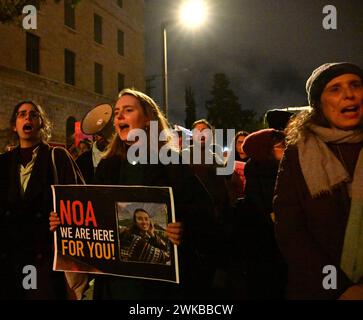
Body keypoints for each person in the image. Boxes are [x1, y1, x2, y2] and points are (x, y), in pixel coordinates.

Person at [50, 89, 217, 300]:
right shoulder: (107, 165)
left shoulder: (171, 162)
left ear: (148, 119)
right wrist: (64, 221)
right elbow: (92, 214)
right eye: (117, 111)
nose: (119, 116)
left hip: (158, 287)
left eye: (128, 110)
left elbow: (206, 213)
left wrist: (183, 227)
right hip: (114, 284)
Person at [273, 62, 363, 299]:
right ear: (319, 105)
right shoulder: (299, 152)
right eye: (335, 89)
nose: (349, 94)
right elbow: (290, 229)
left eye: (355, 85)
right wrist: (340, 288)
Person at [0, 100, 84, 300]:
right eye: (22, 114)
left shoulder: (58, 157)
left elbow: (80, 203)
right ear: (14, 125)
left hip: (45, 259)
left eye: (33, 114)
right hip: (10, 258)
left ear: (41, 124)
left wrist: (63, 217)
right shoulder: (3, 162)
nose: (27, 118)